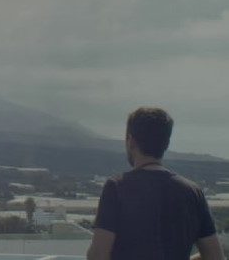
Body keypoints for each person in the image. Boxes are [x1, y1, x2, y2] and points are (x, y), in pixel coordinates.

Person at [87, 107, 224, 260]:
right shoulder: (192, 192)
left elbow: (98, 255)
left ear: (131, 141)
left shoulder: (117, 187)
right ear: (166, 144)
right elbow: (215, 256)